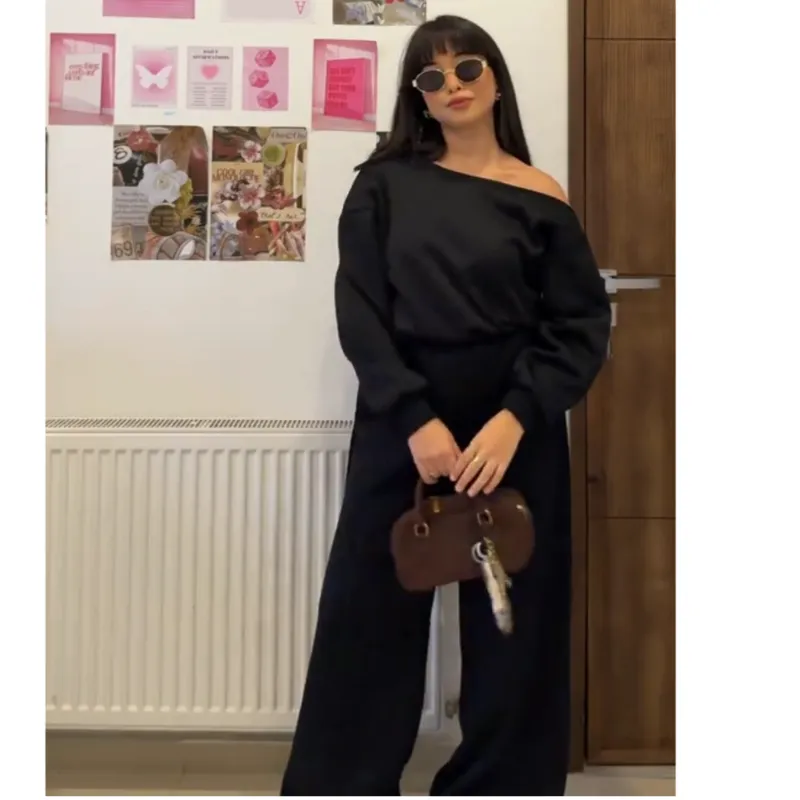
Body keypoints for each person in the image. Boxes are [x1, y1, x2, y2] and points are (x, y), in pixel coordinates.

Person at [281, 14, 611, 797]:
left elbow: (577, 324)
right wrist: (414, 418)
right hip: (403, 427)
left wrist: (516, 417)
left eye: (468, 68)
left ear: (495, 79)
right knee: (369, 616)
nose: (452, 85)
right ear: (418, 97)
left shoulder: (541, 195)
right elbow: (362, 314)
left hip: (514, 430)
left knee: (516, 624)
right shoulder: (382, 187)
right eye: (432, 76)